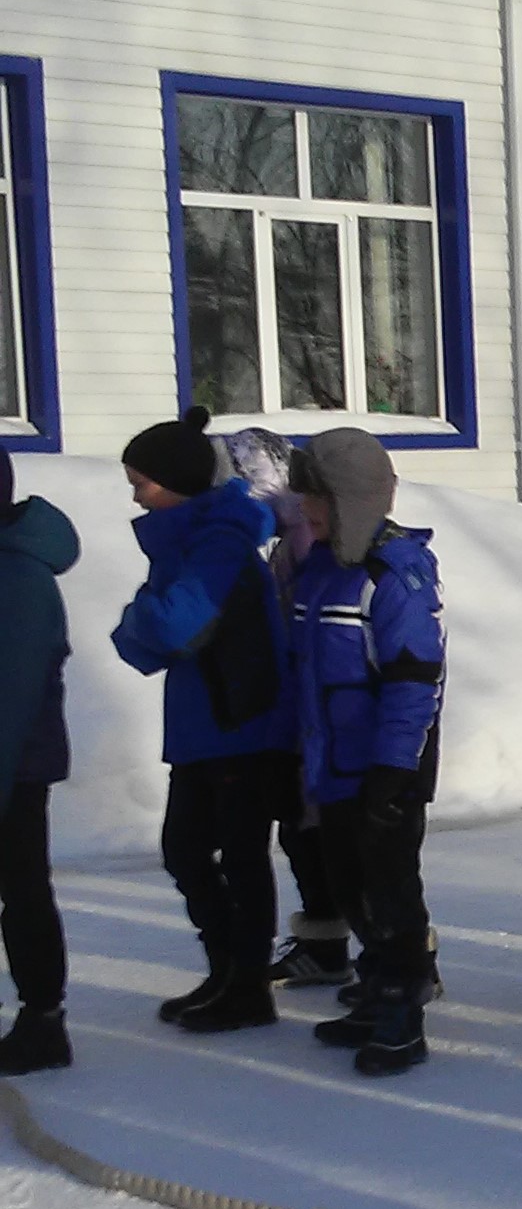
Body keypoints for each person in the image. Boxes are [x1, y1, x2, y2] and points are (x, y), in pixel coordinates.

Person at [112, 403, 293, 1034]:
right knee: (186, 851)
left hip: (240, 724)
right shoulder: (191, 540)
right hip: (206, 724)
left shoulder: (218, 542)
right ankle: (228, 972)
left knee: (236, 857)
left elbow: (168, 626)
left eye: (141, 482)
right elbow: (147, 639)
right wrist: (151, 617)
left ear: (176, 482)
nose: (135, 495)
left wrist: (146, 613)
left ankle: (247, 987)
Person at [288, 430, 444, 1078]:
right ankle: (375, 989)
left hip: (384, 770)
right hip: (331, 766)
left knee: (390, 893)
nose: (304, 511)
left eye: (315, 498)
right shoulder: (321, 570)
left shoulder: (393, 576)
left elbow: (414, 680)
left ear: (348, 500)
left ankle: (403, 1011)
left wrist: (392, 772)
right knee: (350, 888)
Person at [218, 426, 354, 993]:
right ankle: (325, 943)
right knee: (305, 832)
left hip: (321, 715)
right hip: (296, 710)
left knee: (344, 842)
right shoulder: (288, 538)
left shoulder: (304, 536)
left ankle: (405, 958)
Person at [0, 449, 79, 1075]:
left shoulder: (20, 577)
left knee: (23, 888)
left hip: (15, 767)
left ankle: (43, 1022)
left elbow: (14, 694)